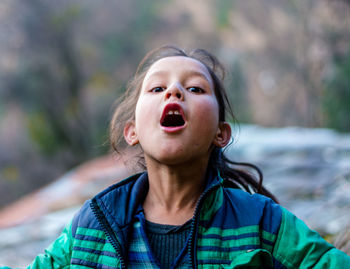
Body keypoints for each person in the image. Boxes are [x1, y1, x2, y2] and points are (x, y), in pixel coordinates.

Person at [2, 45, 350, 268]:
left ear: (220, 134)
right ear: (132, 131)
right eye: (156, 88)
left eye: (195, 88)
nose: (174, 90)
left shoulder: (261, 224)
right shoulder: (92, 228)